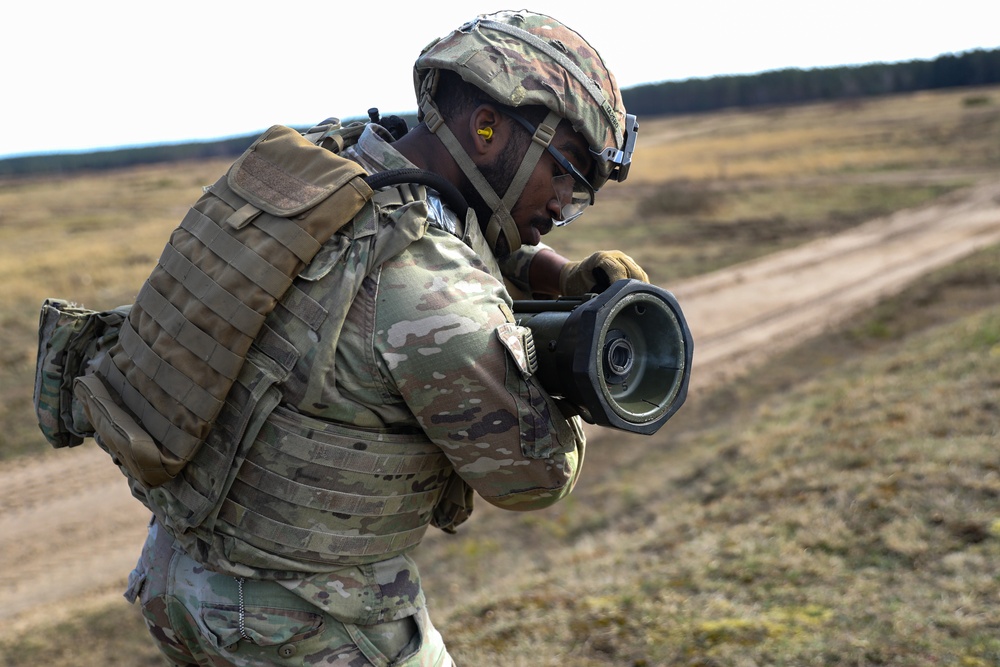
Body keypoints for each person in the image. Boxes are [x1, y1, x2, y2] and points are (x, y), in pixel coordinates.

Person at [123, 10, 647, 666]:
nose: (563, 203)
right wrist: (570, 368)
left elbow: (433, 222)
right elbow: (531, 475)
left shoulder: (335, 165)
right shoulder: (435, 288)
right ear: (487, 129)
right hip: (303, 618)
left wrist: (555, 275)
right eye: (565, 171)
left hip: (176, 571)